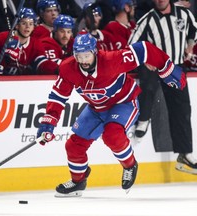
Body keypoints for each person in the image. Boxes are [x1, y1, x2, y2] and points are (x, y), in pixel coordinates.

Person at [36, 33, 186, 196]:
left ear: (94, 52)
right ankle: (78, 182)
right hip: (96, 108)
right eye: (79, 56)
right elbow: (58, 97)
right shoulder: (68, 68)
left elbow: (144, 49)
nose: (83, 60)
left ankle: (129, 165)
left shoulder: (112, 59)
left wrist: (167, 69)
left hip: (124, 103)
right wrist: (47, 125)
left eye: (86, 55)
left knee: (112, 134)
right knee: (73, 146)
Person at [128, 0, 197, 174]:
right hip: (156, 66)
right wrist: (144, 59)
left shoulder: (184, 14)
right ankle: (144, 118)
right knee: (148, 85)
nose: (159, 0)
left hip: (176, 67)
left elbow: (194, 29)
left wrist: (190, 44)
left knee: (182, 111)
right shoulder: (148, 19)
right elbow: (132, 43)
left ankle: (185, 154)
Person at [0, 7, 59, 76]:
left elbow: (41, 64)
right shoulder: (1, 38)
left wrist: (57, 69)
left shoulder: (36, 44)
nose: (27, 27)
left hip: (21, 84)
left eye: (31, 24)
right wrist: (3, 62)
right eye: (24, 23)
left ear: (34, 27)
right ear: (16, 25)